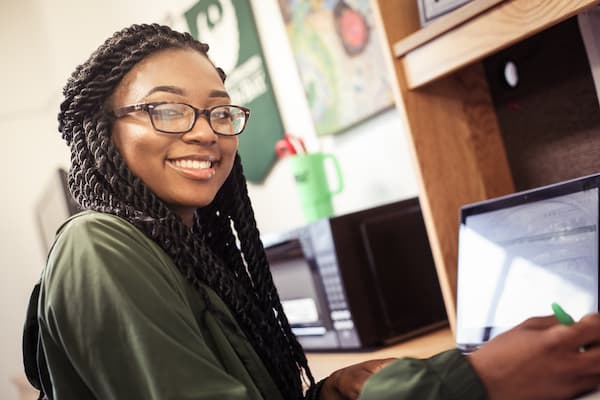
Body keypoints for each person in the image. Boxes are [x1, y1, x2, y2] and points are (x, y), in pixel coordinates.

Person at [30, 23, 600, 400]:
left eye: (220, 112)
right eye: (170, 111)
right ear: (103, 130)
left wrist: (326, 396)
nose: (205, 133)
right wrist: (469, 382)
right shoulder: (98, 246)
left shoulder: (188, 256)